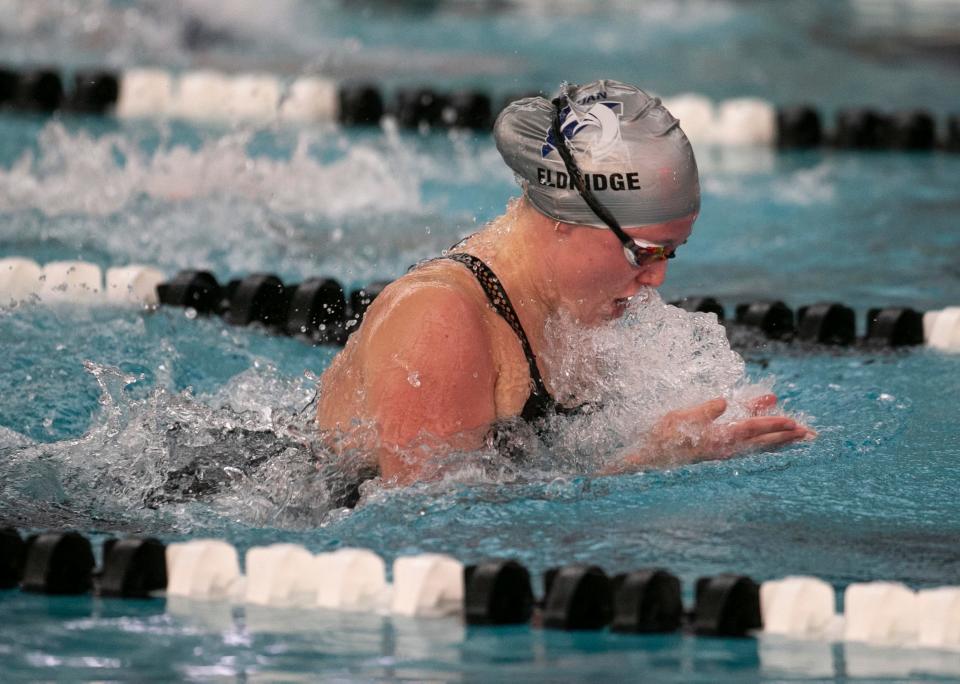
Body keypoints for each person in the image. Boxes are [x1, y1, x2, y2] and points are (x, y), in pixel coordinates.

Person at [317, 79, 813, 485]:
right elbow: (426, 530)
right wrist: (644, 464)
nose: (658, 278)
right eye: (642, 252)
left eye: (670, 253)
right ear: (567, 218)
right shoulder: (440, 320)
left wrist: (706, 431)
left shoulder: (570, 309)